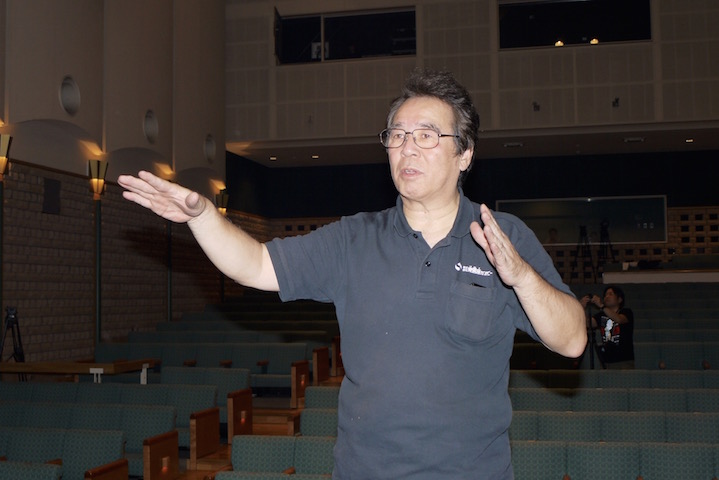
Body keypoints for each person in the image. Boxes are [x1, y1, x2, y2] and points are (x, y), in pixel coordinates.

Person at [118, 68, 586, 479]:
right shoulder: (355, 239)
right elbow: (257, 265)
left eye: (426, 136)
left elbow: (572, 341)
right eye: (397, 136)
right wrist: (203, 218)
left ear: (464, 154)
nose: (407, 148)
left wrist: (521, 277)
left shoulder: (504, 236)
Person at [581, 285, 634, 368]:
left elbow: (619, 319)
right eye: (605, 295)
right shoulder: (601, 315)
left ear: (619, 299)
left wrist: (602, 306)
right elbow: (587, 323)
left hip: (624, 360)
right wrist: (581, 308)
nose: (607, 297)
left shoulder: (626, 312)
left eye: (610, 294)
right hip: (607, 361)